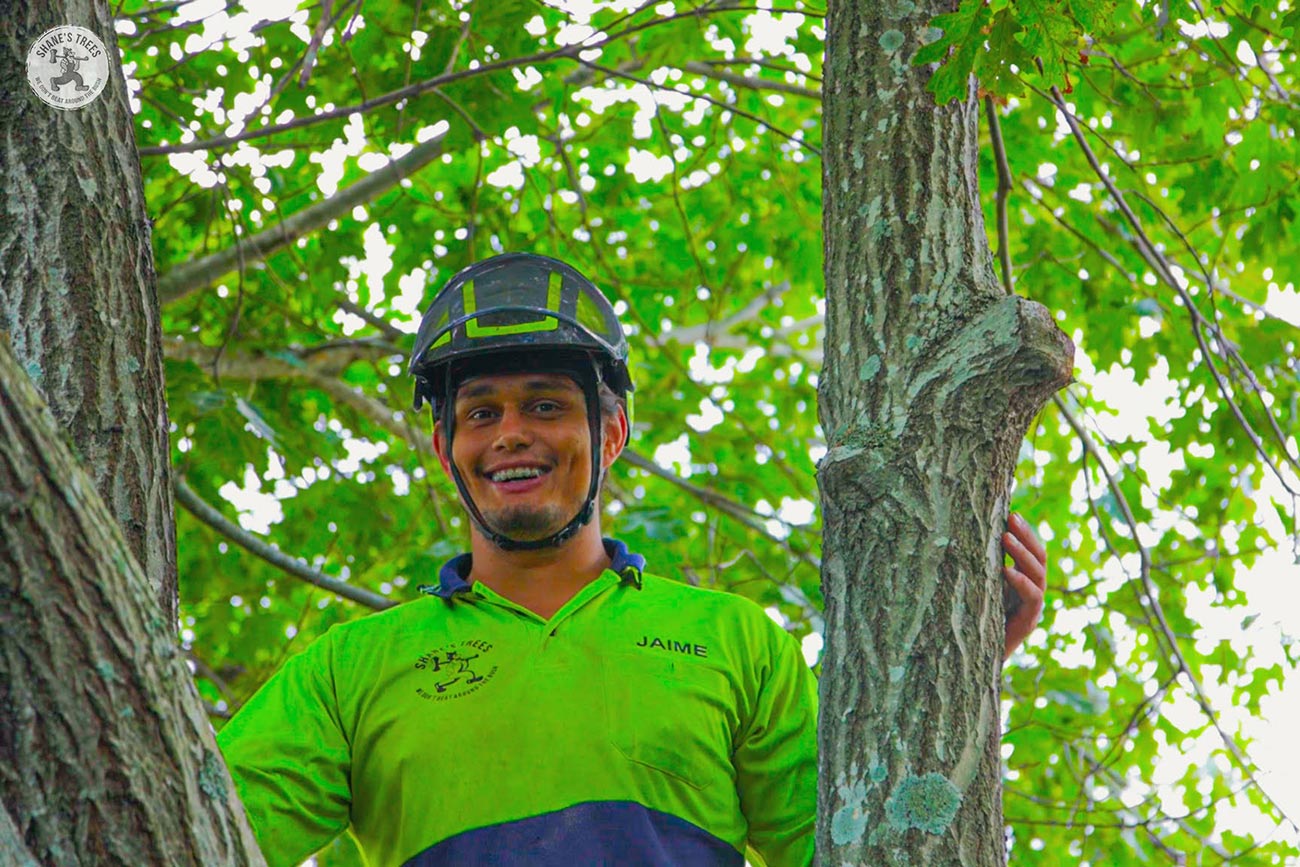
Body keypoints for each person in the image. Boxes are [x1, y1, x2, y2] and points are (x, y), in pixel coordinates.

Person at [216, 253, 1049, 867]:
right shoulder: (347, 670)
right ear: (445, 447)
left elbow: (857, 844)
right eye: (481, 412)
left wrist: (959, 664)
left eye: (546, 405)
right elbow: (188, 827)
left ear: (610, 433)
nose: (512, 432)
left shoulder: (734, 640)